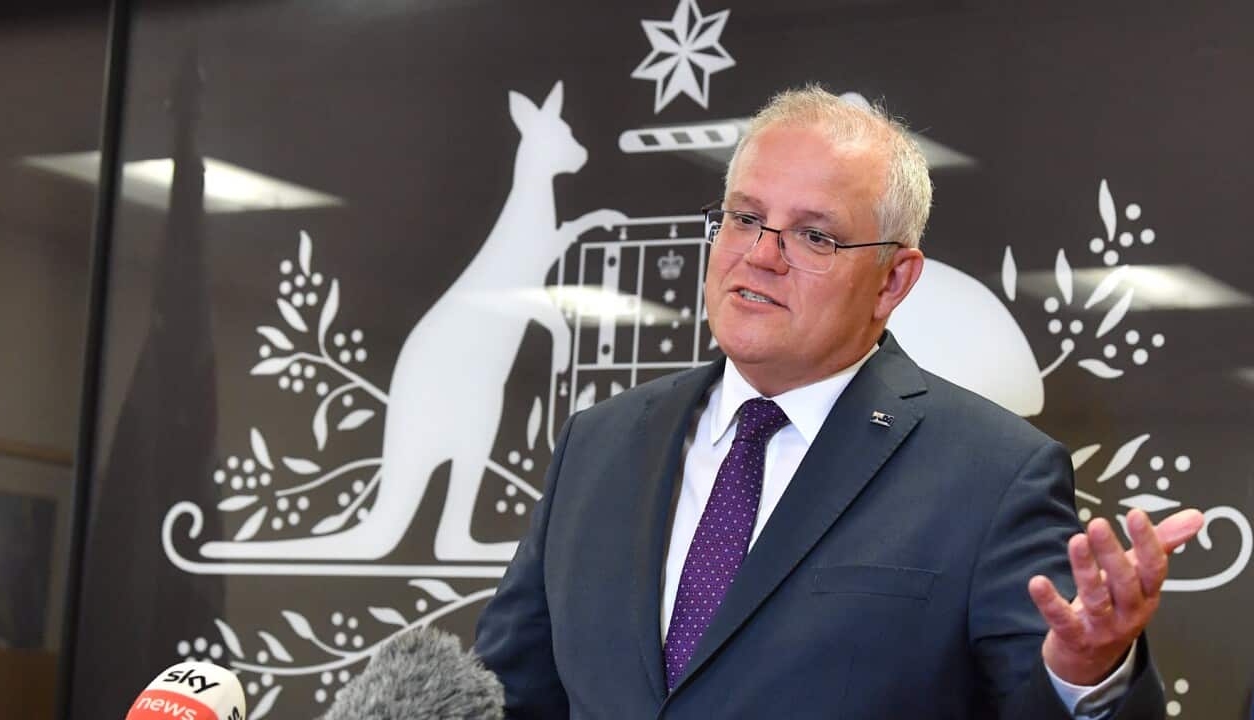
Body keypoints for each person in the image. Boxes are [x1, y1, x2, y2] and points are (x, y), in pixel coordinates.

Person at [473, 85, 1202, 719]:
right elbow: (508, 694)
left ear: (893, 281)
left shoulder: (994, 475)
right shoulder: (597, 445)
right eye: (743, 217)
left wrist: (1088, 677)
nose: (759, 253)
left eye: (814, 236)